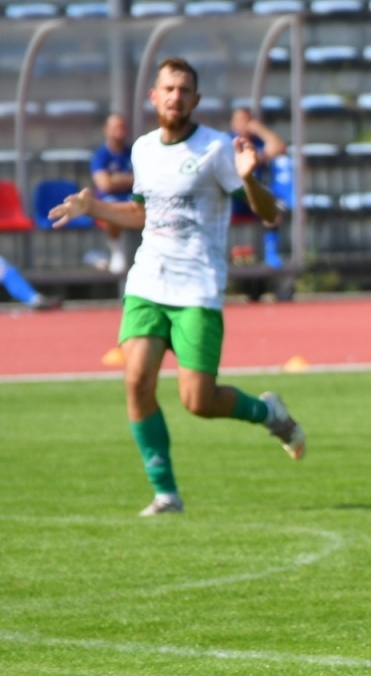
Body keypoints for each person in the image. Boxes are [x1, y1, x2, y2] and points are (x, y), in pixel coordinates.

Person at [49, 57, 305, 517]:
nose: (175, 97)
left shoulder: (216, 149)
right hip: (148, 282)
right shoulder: (144, 149)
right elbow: (143, 213)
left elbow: (270, 215)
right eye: (168, 89)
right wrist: (95, 207)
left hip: (197, 289)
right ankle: (165, 493)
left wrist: (248, 179)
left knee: (198, 401)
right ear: (154, 96)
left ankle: (271, 414)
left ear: (196, 99)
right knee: (136, 380)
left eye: (184, 90)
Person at [229, 107, 287, 270]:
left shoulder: (257, 143)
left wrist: (260, 129)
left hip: (256, 195)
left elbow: (279, 148)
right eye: (240, 120)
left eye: (248, 121)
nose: (244, 124)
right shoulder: (228, 141)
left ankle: (271, 255)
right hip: (234, 196)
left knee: (273, 212)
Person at [91, 112, 135, 274]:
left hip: (131, 198)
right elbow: (105, 185)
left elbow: (144, 179)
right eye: (115, 127)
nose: (119, 131)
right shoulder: (101, 155)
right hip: (109, 201)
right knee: (111, 208)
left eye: (122, 127)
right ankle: (117, 252)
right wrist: (128, 179)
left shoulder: (133, 153)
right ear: (106, 130)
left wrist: (117, 179)